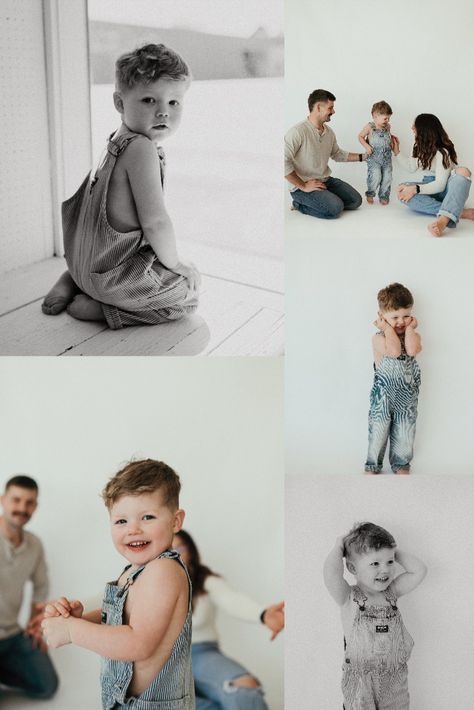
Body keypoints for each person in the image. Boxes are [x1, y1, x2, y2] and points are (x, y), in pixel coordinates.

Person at [42, 43, 200, 329]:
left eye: (173, 102)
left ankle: (72, 280)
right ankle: (106, 311)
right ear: (119, 103)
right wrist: (176, 265)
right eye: (149, 100)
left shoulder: (115, 141)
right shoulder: (141, 149)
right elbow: (155, 222)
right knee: (186, 296)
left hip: (82, 262)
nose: (163, 112)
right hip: (110, 278)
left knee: (154, 260)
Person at [41, 459, 194, 709]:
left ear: (176, 521)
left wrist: (71, 631)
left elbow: (137, 643)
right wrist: (78, 619)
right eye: (121, 521)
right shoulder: (134, 571)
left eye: (147, 517)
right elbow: (120, 621)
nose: (133, 529)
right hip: (123, 700)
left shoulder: (164, 571)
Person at [173, 529, 284, 710]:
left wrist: (262, 614)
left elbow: (231, 599)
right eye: (169, 551)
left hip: (202, 653)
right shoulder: (144, 584)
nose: (175, 556)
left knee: (243, 689)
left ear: (190, 551)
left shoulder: (205, 581)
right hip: (161, 663)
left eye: (180, 549)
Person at [324, 522, 427, 710]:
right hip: (360, 683)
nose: (385, 569)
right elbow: (331, 574)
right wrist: (339, 547)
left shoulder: (392, 593)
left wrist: (393, 550)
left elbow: (419, 571)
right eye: (375, 563)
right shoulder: (349, 597)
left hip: (395, 681)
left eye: (389, 561)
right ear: (353, 569)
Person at [0, 475, 58, 700]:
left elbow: (41, 587)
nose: (22, 508)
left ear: (35, 506)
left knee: (47, 686)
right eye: (16, 500)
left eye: (29, 502)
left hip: (13, 635)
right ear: (3, 500)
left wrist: (35, 623)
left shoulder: (34, 544)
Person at [365, 283, 422, 475]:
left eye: (406, 316)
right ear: (382, 317)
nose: (400, 322)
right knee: (379, 431)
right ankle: (373, 466)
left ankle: (401, 465)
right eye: (394, 317)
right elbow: (395, 351)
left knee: (405, 432)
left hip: (407, 399)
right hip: (383, 397)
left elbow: (412, 350)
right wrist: (387, 329)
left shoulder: (412, 337)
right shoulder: (378, 338)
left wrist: (411, 330)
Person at [284, 89, 364, 219]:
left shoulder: (329, 133)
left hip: (325, 180)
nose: (333, 111)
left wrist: (364, 157)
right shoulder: (297, 132)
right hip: (303, 187)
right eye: (330, 108)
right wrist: (303, 185)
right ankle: (299, 203)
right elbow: (282, 162)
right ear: (319, 108)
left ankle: (324, 199)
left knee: (356, 201)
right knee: (335, 209)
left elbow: (337, 154)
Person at [394, 113, 474, 236]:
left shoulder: (443, 152)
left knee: (463, 171)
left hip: (447, 189)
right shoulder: (417, 146)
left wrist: (415, 189)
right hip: (428, 185)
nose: (412, 128)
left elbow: (440, 185)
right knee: (402, 189)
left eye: (415, 126)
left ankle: (443, 220)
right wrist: (396, 151)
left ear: (424, 130)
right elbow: (411, 167)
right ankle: (459, 212)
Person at [358, 100, 395, 205]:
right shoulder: (370, 127)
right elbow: (360, 136)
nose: (387, 120)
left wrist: (391, 143)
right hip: (374, 157)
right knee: (376, 176)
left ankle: (384, 195)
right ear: (375, 116)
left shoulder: (388, 127)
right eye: (385, 118)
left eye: (388, 118)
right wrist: (367, 146)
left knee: (387, 177)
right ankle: (370, 193)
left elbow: (387, 138)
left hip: (387, 157)